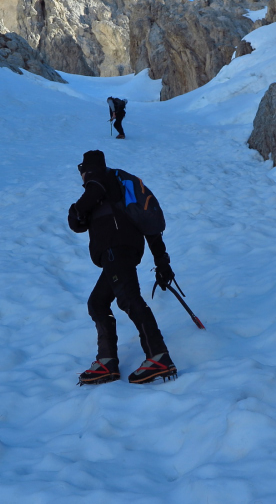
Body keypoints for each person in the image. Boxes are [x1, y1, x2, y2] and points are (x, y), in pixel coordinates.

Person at [68, 149, 178, 385]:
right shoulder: (118, 184)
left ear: (85, 170)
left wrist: (76, 210)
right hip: (123, 251)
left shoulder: (98, 180)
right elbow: (150, 227)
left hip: (114, 249)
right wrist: (162, 261)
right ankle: (107, 361)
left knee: (128, 298)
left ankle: (158, 356)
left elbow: (80, 214)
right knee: (97, 302)